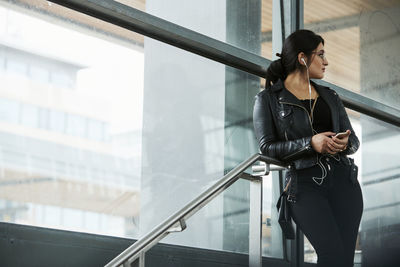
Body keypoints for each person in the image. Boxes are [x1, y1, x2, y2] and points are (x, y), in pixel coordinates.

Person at [253, 29, 364, 267]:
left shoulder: (330, 96)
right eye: (320, 54)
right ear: (303, 58)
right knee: (332, 255)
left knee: (344, 260)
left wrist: (344, 143)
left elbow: (353, 141)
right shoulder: (268, 99)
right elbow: (267, 147)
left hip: (345, 183)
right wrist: (310, 143)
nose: (326, 62)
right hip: (304, 187)